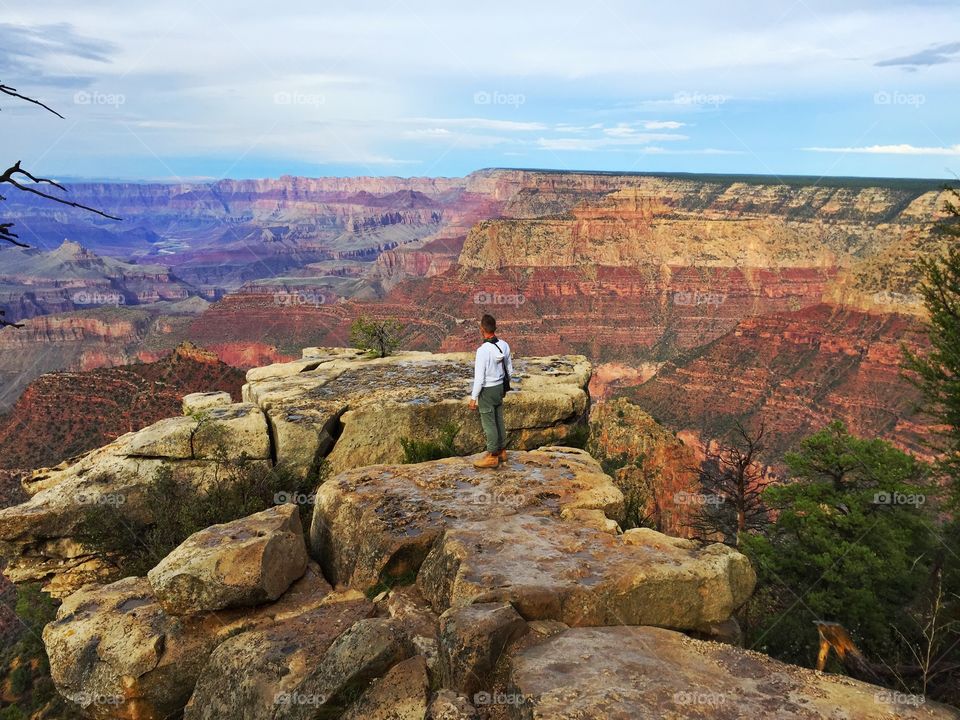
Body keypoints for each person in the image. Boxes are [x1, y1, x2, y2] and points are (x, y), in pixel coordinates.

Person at [468, 314, 512, 468]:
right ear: (495, 328)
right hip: (500, 387)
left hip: (487, 390)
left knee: (489, 422)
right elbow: (510, 370)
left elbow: (479, 377)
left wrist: (474, 397)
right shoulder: (504, 345)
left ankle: (492, 455)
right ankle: (502, 451)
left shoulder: (483, 350)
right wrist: (504, 386)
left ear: (482, 329)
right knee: (499, 418)